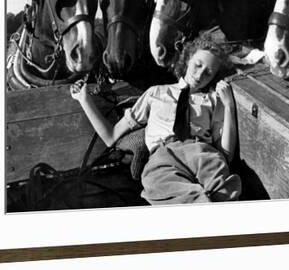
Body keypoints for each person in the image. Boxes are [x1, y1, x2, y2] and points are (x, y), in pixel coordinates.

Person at [70, 37, 242, 205]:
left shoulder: (212, 100)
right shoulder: (156, 93)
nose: (200, 74)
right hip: (163, 157)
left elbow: (226, 154)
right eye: (198, 65)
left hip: (201, 152)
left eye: (208, 72)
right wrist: (84, 100)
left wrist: (228, 106)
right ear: (188, 59)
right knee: (157, 186)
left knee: (224, 189)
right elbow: (111, 136)